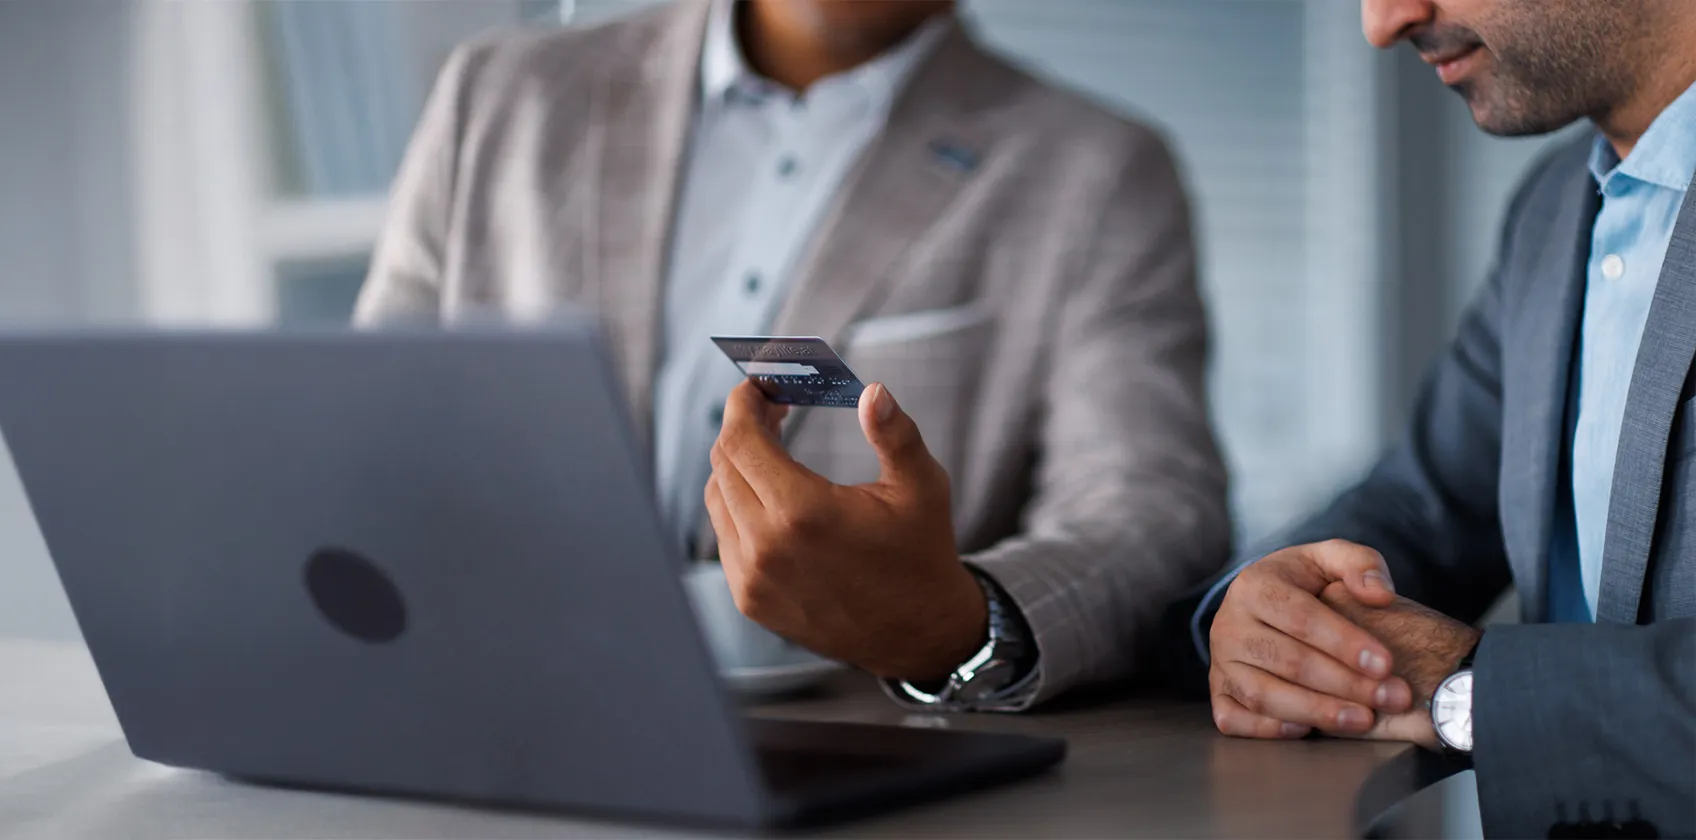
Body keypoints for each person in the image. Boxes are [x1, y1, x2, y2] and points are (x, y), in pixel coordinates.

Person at [357, 0, 1230, 711]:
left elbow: (1155, 514)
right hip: (474, 709)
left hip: (853, 749)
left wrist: (954, 624)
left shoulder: (1095, 172)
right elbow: (363, 440)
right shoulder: (499, 97)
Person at [1176, 0, 1696, 836]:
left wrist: (1470, 685)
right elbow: (1423, 507)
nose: (1383, 22)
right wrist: (1264, 612)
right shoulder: (1556, 207)